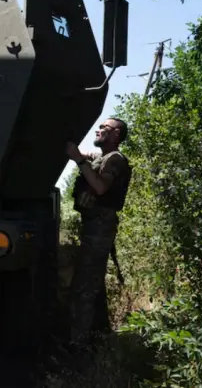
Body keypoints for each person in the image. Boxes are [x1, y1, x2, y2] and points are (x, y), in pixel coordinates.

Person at [65, 117, 132, 350]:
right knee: (92, 282)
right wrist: (74, 152)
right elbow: (86, 155)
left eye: (104, 127)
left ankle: (78, 345)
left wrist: (78, 160)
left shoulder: (115, 159)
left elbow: (101, 187)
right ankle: (99, 335)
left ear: (116, 134)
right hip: (95, 226)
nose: (98, 129)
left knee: (84, 286)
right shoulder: (103, 156)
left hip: (99, 227)